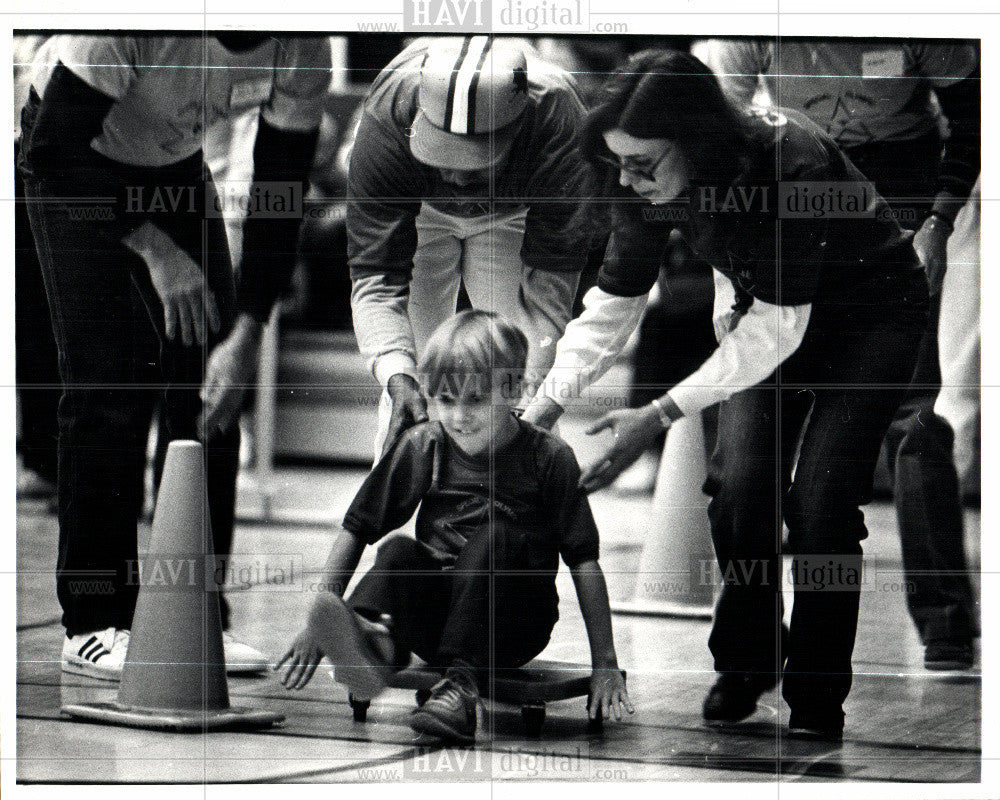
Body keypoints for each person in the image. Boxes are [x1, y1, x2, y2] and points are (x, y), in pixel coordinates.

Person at [522, 49, 928, 742]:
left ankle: (818, 691)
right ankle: (746, 660)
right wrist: (541, 412)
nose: (628, 177)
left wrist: (656, 414)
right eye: (619, 162)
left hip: (871, 319)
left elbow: (778, 329)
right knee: (739, 486)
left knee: (822, 504)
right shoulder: (641, 178)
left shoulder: (790, 164)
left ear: (699, 142)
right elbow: (614, 303)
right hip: (765, 314)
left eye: (644, 163)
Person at [18, 33, 330, 679]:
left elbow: (280, 193)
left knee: (210, 395)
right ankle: (93, 621)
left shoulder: (302, 42)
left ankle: (194, 615)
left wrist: (247, 332)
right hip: (74, 160)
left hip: (177, 171)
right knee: (108, 390)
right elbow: (51, 152)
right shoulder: (131, 23)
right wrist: (158, 252)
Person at [703, 38, 981, 671]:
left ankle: (944, 618)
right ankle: (751, 649)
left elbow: (973, 118)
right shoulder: (750, 29)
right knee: (745, 464)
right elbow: (714, 147)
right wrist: (730, 295)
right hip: (793, 187)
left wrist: (939, 221)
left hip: (904, 196)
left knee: (914, 418)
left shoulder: (918, 24)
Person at [276, 310, 632, 744]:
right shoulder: (425, 444)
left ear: (514, 390)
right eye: (445, 400)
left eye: (475, 400)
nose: (459, 416)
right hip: (440, 625)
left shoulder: (550, 457)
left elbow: (584, 562)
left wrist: (606, 663)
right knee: (398, 551)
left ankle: (461, 687)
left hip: (514, 622)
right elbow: (358, 526)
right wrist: (320, 620)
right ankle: (377, 641)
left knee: (494, 536)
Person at [346, 35, 597, 457]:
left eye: (476, 159)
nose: (459, 179)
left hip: (513, 211)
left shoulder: (559, 122)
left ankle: (536, 509)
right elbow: (376, 281)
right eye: (444, 155)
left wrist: (529, 402)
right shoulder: (386, 121)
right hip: (421, 208)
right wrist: (397, 375)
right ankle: (388, 511)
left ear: (519, 129)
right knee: (414, 389)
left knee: (519, 389)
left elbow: (550, 288)